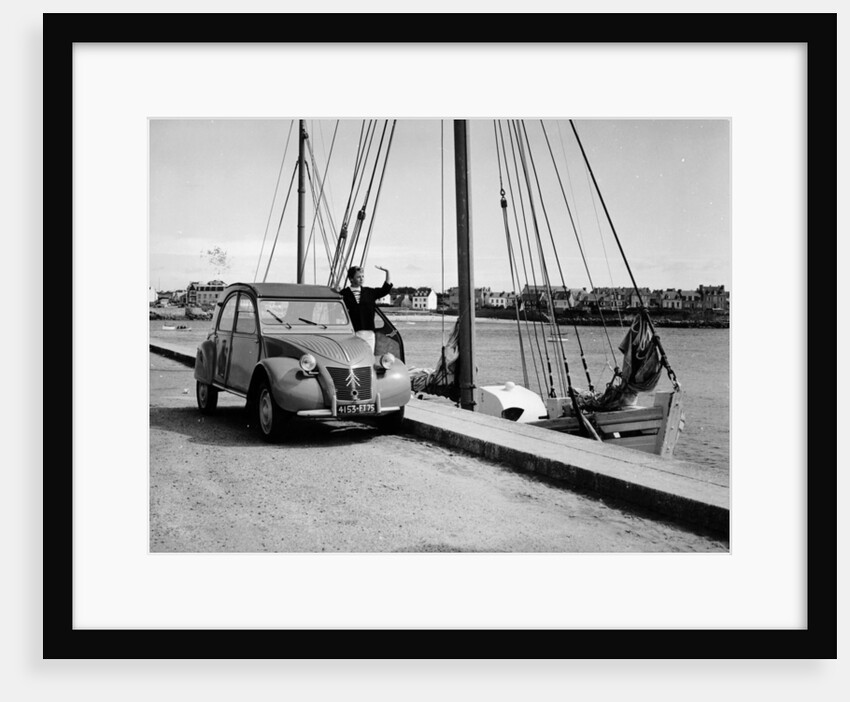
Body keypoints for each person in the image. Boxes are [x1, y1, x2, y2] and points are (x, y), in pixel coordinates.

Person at [339, 265, 393, 353]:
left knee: (368, 357)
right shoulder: (343, 294)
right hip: (351, 332)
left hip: (368, 332)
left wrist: (387, 272)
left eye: (363, 276)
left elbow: (385, 290)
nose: (361, 279)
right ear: (351, 279)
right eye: (358, 277)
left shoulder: (369, 292)